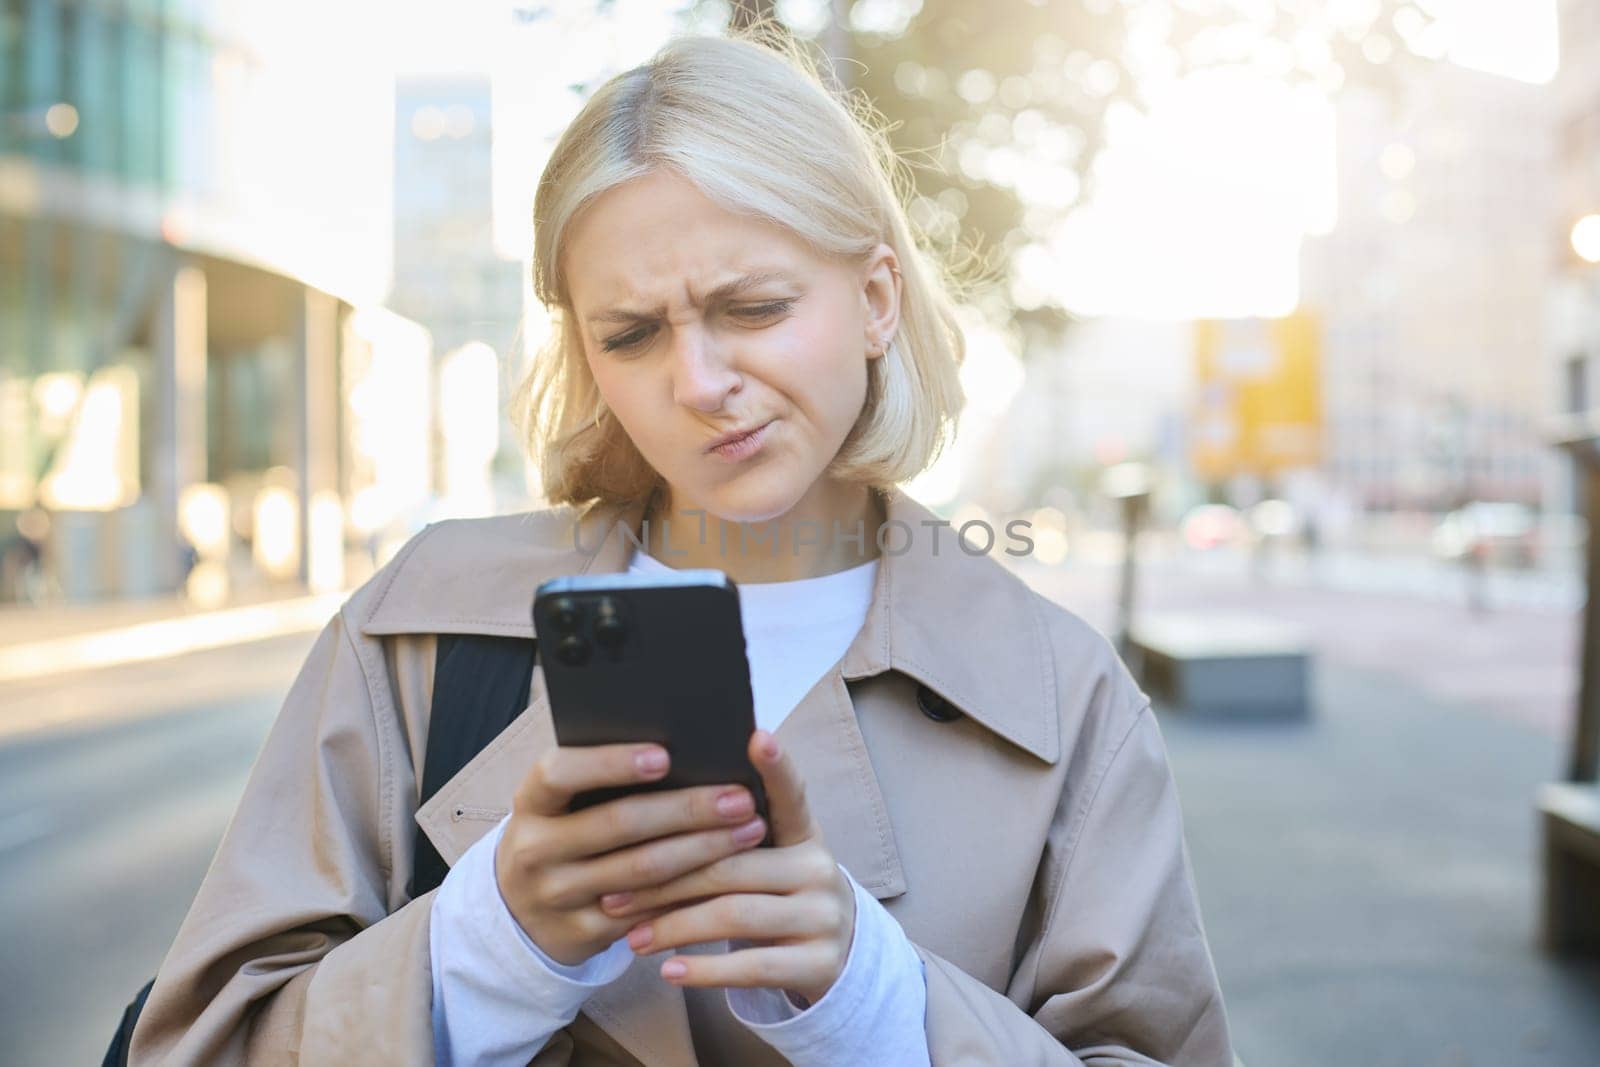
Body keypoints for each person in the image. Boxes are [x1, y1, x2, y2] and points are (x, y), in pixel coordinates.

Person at [128, 29, 1235, 1066]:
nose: (699, 384)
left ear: (877, 300)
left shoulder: (1061, 694)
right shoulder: (413, 632)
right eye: (631, 333)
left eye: (751, 307)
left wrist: (872, 998)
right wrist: (490, 943)